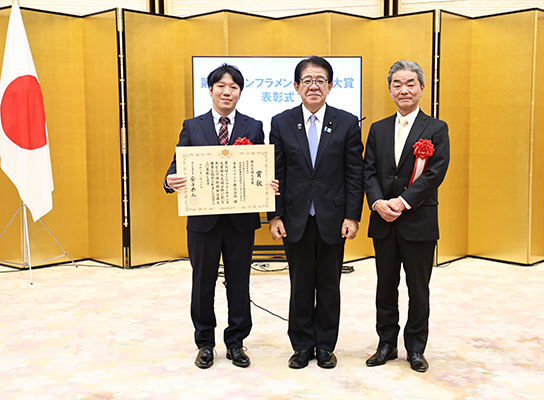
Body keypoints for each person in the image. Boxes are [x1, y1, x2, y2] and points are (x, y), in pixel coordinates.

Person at [164, 64, 264, 369]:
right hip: (202, 221)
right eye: (221, 86)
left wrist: (267, 183)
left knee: (239, 282)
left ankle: (236, 342)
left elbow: (261, 166)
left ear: (240, 92)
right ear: (210, 90)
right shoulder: (192, 126)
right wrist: (169, 180)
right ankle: (205, 342)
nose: (226, 92)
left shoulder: (253, 126)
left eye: (233, 87)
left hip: (240, 221)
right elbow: (177, 164)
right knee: (202, 283)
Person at [267, 56, 364, 369]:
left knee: (329, 286)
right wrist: (275, 216)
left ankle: (325, 346)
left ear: (330, 86)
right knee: (300, 285)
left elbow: (354, 173)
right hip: (295, 218)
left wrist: (352, 216)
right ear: (296, 86)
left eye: (320, 80)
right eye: (307, 80)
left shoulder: (346, 122)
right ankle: (301, 346)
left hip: (333, 219)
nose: (313, 86)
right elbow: (275, 172)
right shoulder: (281, 122)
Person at [363, 60, 450, 373]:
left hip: (418, 222)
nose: (404, 90)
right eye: (397, 84)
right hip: (383, 222)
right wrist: (377, 203)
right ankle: (386, 343)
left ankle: (416, 348)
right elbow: (368, 171)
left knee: (418, 289)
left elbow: (435, 173)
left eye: (410, 83)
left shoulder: (436, 128)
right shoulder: (378, 128)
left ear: (422, 88)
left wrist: (402, 202)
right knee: (385, 287)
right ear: (390, 90)